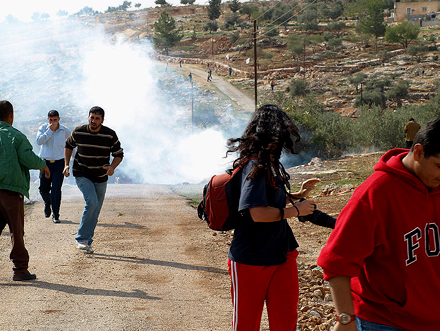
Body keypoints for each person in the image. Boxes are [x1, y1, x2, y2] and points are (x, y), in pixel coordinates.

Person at [317, 118, 440, 331]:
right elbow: (336, 261)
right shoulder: (376, 193)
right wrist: (345, 319)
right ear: (418, 152)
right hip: (385, 322)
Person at [225, 104, 318, 331]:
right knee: (246, 324)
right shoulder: (255, 166)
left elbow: (267, 201)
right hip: (251, 257)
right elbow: (257, 213)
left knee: (285, 321)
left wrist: (297, 195)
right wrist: (296, 210)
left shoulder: (271, 164)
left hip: (281, 253)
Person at [0, 100, 50, 281]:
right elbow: (28, 158)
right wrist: (43, 165)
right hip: (10, 191)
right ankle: (20, 270)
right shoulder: (16, 136)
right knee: (16, 231)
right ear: (11, 116)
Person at [63, 106, 123, 253]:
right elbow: (68, 145)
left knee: (96, 209)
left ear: (102, 120)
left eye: (97, 118)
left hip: (101, 177)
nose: (93, 121)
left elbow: (119, 154)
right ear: (88, 117)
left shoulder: (109, 135)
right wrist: (66, 165)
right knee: (92, 202)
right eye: (91, 117)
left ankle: (87, 241)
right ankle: (82, 239)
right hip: (82, 173)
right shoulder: (79, 131)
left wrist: (112, 168)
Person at [36, 110, 71, 223]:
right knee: (43, 188)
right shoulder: (43, 128)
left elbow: (71, 146)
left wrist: (69, 164)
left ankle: (56, 214)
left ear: (59, 119)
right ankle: (47, 203)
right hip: (45, 163)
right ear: (48, 119)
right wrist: (50, 130)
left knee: (56, 189)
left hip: (59, 163)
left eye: (55, 120)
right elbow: (39, 141)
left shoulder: (65, 131)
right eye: (51, 120)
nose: (53, 122)